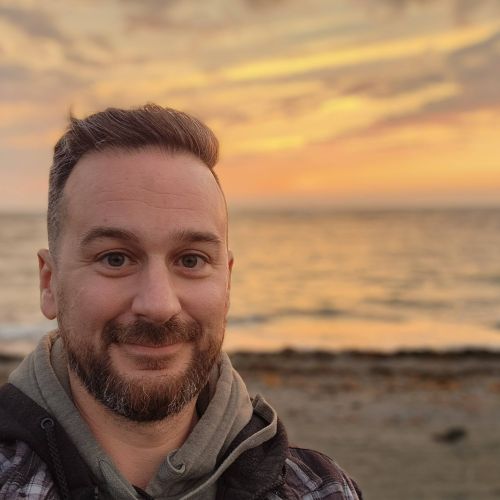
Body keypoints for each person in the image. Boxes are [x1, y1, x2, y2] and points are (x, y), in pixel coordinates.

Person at [0, 105, 362, 500]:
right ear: (49, 283)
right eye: (115, 258)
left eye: (191, 260)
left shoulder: (323, 489)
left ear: (227, 282)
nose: (159, 305)